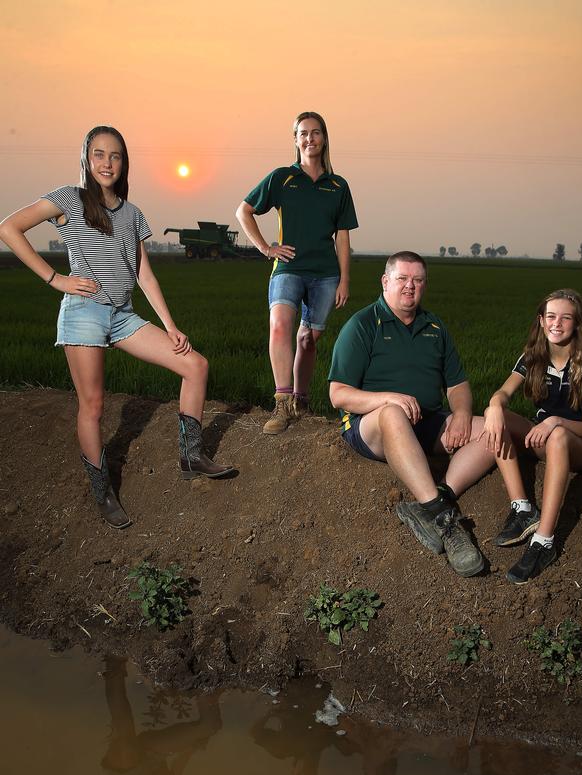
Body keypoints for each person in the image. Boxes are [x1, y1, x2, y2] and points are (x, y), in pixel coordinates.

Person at [0, 125, 232, 529]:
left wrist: (171, 326)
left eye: (116, 156)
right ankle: (102, 490)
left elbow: (145, 275)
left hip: (123, 314)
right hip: (83, 311)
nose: (107, 163)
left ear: (124, 163)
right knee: (93, 405)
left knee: (195, 365)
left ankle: (191, 457)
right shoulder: (68, 199)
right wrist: (56, 280)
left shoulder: (132, 213)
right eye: (99, 155)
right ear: (87, 161)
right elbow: (9, 228)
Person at [328, 251, 495, 578]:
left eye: (418, 280)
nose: (410, 287)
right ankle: (445, 522)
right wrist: (387, 398)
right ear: (385, 282)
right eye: (402, 279)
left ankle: (434, 499)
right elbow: (338, 394)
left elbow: (458, 383)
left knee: (491, 429)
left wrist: (461, 412)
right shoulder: (362, 325)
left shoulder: (434, 326)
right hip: (370, 427)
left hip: (427, 421)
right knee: (393, 413)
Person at [236, 111, 358, 434]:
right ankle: (282, 401)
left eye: (316, 132)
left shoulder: (338, 186)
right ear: (295, 139)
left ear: (324, 138)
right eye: (303, 133)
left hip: (325, 274)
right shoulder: (282, 178)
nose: (310, 138)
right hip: (287, 267)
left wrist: (344, 278)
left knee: (308, 339)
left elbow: (343, 236)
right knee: (279, 326)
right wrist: (266, 248)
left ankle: (300, 400)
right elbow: (244, 210)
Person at [480, 289, 582, 584]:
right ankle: (522, 508)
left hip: (579, 446)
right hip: (545, 441)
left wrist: (554, 422)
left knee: (559, 436)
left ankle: (544, 541)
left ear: (577, 324)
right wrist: (496, 405)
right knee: (493, 415)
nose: (557, 323)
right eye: (551, 316)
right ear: (541, 320)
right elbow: (502, 392)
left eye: (566, 318)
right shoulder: (532, 356)